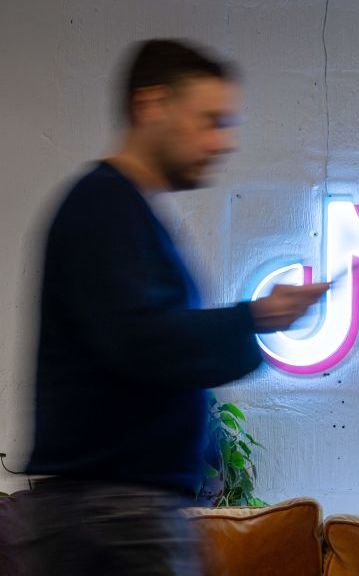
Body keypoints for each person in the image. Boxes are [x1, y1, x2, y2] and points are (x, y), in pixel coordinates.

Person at [17, 39, 328, 575]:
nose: (222, 141)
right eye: (210, 120)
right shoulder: (103, 206)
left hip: (119, 514)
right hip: (112, 518)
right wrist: (256, 317)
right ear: (151, 105)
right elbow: (146, 342)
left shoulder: (123, 210)